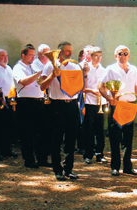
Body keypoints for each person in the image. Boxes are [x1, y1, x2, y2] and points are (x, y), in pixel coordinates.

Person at [99, 45, 137, 176]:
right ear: (115, 56)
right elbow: (101, 86)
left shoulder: (133, 69)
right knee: (115, 137)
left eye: (125, 53)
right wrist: (109, 98)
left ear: (129, 55)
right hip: (117, 105)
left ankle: (128, 166)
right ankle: (115, 167)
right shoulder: (111, 69)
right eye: (120, 54)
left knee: (128, 137)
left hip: (130, 105)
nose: (123, 56)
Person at [41, 41, 88, 181]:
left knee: (71, 137)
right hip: (57, 105)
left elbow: (81, 86)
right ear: (60, 52)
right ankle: (57, 169)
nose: (69, 53)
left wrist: (84, 74)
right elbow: (42, 86)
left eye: (71, 50)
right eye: (67, 51)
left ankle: (69, 168)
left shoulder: (74, 65)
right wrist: (52, 76)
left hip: (72, 104)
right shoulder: (50, 65)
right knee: (56, 138)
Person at [12, 44, 45, 168]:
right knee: (27, 132)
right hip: (26, 102)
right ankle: (29, 159)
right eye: (30, 55)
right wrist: (38, 74)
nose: (33, 57)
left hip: (38, 101)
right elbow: (23, 81)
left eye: (33, 55)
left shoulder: (33, 67)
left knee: (41, 131)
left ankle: (42, 158)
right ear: (23, 55)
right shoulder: (18, 68)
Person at [82, 47, 108, 164]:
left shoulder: (104, 70)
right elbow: (82, 88)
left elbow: (107, 85)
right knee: (89, 129)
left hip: (101, 102)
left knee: (100, 130)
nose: (98, 58)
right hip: (90, 101)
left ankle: (99, 153)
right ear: (91, 57)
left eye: (99, 56)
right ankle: (88, 154)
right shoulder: (87, 69)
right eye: (95, 56)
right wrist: (92, 91)